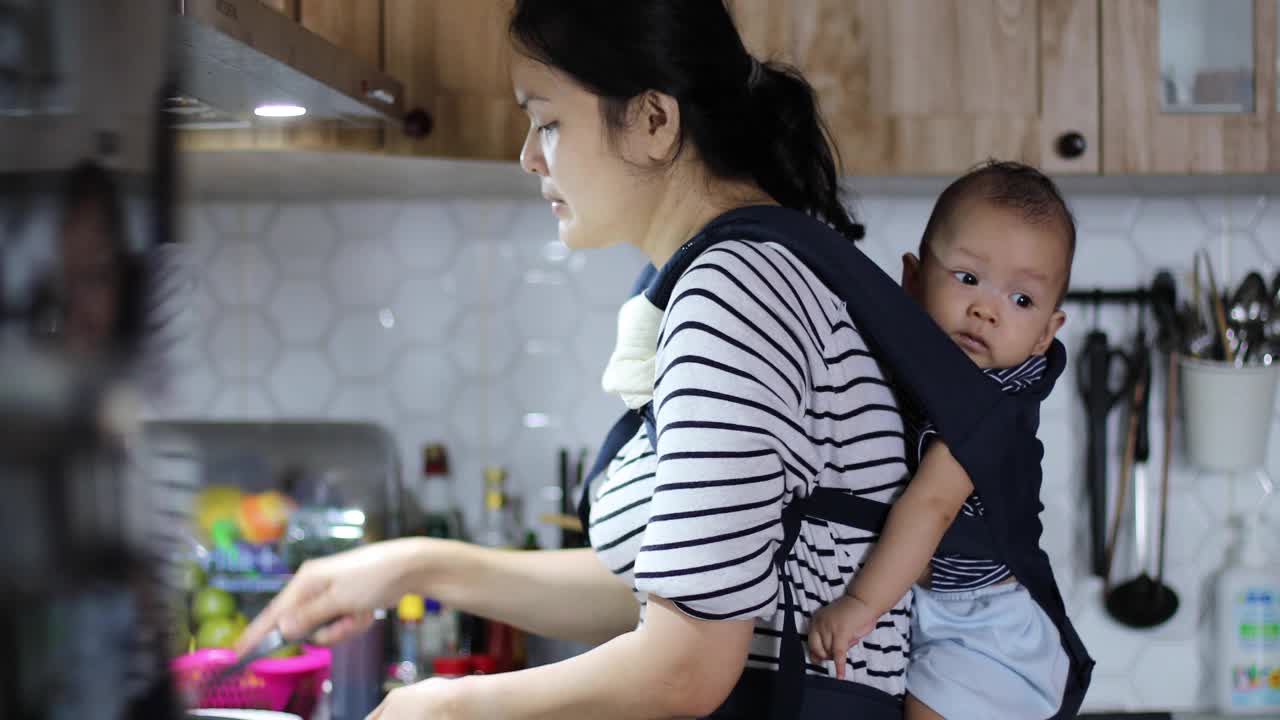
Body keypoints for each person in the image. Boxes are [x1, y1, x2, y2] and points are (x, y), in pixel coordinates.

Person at [238, 3, 1093, 718]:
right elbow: (688, 582)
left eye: (547, 120)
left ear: (652, 120)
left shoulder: (737, 289)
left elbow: (688, 664)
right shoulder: (763, 263)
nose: (530, 156)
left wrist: (446, 705)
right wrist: (416, 565)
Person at [808, 161, 1076, 720]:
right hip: (937, 609)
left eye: (1022, 301)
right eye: (968, 278)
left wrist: (859, 605)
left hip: (985, 625)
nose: (986, 309)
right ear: (912, 279)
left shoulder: (991, 402)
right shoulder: (921, 366)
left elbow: (931, 504)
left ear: (1047, 334)